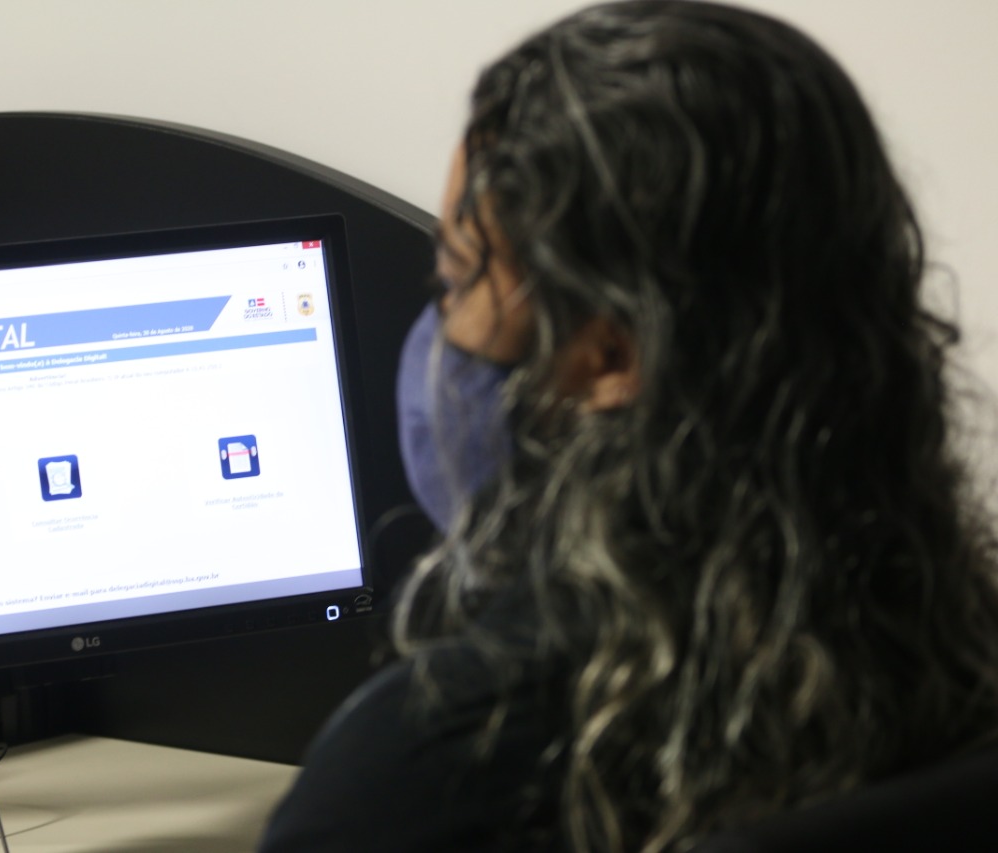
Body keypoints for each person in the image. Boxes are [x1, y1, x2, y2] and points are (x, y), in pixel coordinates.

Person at [259, 1, 998, 850]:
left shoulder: (430, 767)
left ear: (610, 356)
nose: (439, 329)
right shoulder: (956, 658)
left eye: (459, 282)